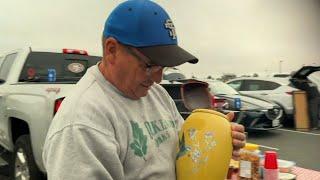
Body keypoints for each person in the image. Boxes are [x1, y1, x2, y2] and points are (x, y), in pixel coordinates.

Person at [42, 0, 246, 179]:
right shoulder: (82, 123)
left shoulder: (156, 95)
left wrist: (215, 140)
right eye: (150, 65)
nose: (158, 78)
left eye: (163, 67)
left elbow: (183, 150)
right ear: (112, 50)